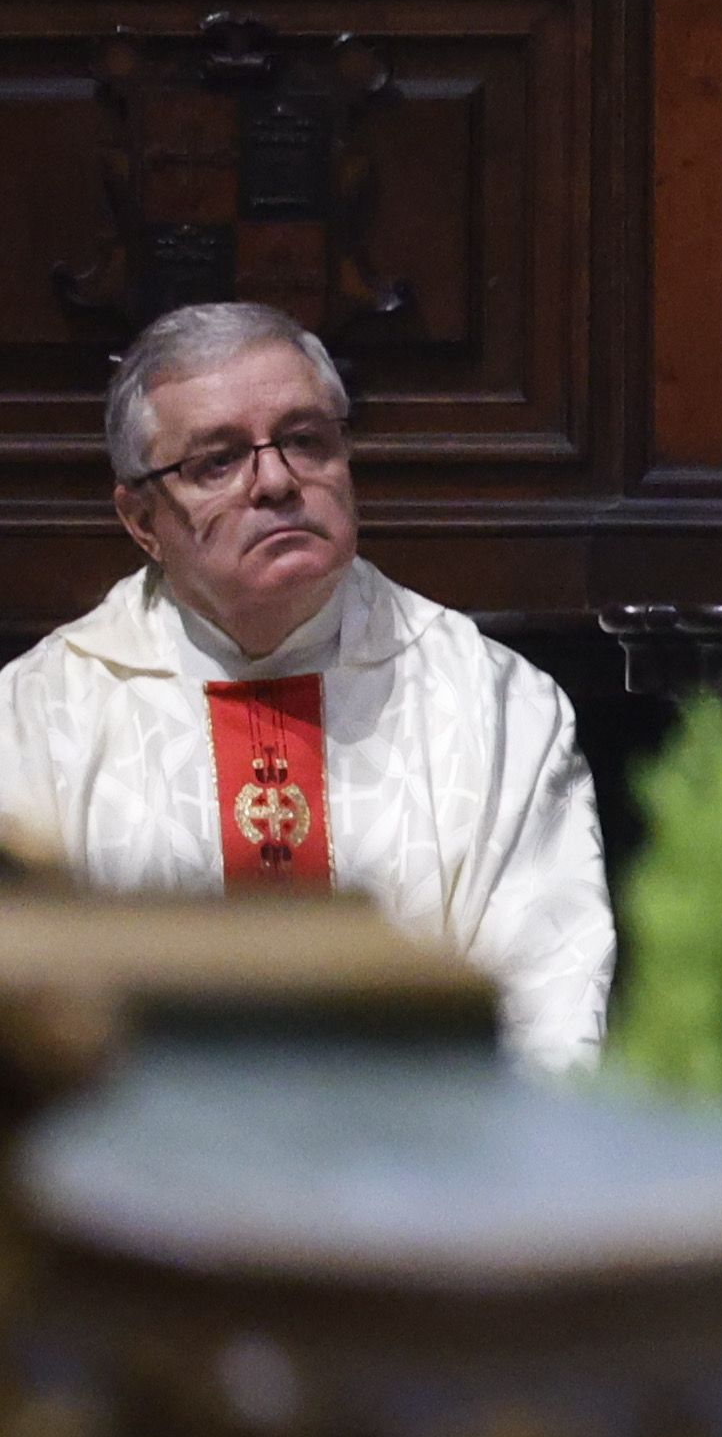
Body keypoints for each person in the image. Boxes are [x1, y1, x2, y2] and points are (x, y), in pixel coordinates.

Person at [0, 301, 616, 1065]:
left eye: (304, 440)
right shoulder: (34, 721)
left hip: (427, 1168)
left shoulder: (493, 704)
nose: (276, 482)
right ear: (141, 520)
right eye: (217, 461)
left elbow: (549, 1012)